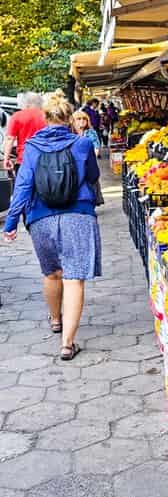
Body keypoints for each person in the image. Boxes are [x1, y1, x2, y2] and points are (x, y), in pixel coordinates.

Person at [3, 91, 102, 361]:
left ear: (45, 119)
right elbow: (93, 175)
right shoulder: (81, 144)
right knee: (74, 279)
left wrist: (11, 223)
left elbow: (22, 187)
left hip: (41, 217)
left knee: (52, 274)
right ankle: (68, 344)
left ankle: (56, 320)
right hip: (78, 216)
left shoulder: (32, 147)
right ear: (69, 118)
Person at [3, 92, 46, 179]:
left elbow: (10, 139)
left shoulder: (17, 116)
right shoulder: (46, 116)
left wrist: (6, 158)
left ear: (26, 103)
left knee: (24, 189)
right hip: (45, 159)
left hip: (24, 160)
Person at [71, 110, 105, 206]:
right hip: (75, 163)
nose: (82, 121)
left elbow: (96, 146)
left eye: (84, 119)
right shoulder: (70, 134)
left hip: (89, 161)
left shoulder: (91, 133)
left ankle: (92, 201)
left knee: (91, 182)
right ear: (73, 121)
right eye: (79, 119)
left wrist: (91, 157)